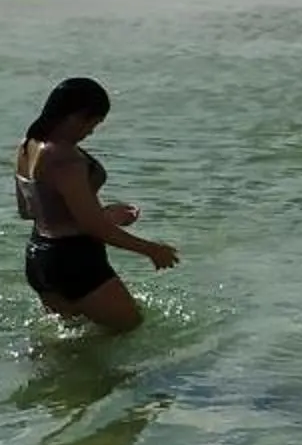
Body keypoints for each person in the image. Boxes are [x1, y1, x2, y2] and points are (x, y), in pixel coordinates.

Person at [12, 77, 178, 332]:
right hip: (75, 261)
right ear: (75, 116)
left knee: (71, 344)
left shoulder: (27, 146)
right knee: (131, 332)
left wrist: (104, 215)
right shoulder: (65, 158)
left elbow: (29, 210)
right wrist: (151, 250)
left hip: (39, 259)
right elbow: (93, 227)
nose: (91, 131)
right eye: (93, 123)